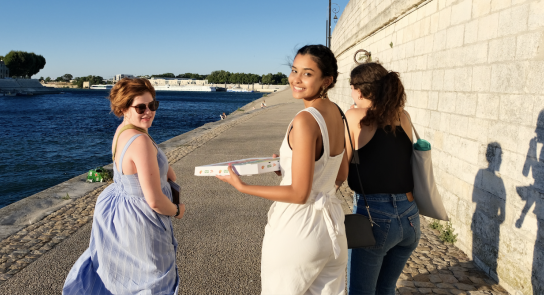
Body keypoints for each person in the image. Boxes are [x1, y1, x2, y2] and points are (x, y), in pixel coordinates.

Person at [217, 44, 348, 295]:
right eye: (294, 70)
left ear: (326, 80)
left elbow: (299, 194)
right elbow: (339, 174)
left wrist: (243, 186)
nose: (296, 79)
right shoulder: (336, 113)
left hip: (298, 230)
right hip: (332, 229)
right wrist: (289, 170)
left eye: (307, 73)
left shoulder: (305, 120)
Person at [63, 78, 185, 295]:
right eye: (141, 107)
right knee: (153, 279)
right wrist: (176, 210)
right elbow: (155, 200)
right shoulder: (140, 141)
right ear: (123, 108)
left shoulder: (124, 131)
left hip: (122, 213)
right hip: (143, 218)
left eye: (153, 105)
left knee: (128, 276)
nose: (149, 111)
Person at [336, 62, 419, 295]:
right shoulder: (403, 116)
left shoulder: (353, 116)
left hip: (375, 216)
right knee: (386, 289)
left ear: (359, 90)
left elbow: (341, 172)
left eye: (351, 87)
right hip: (410, 215)